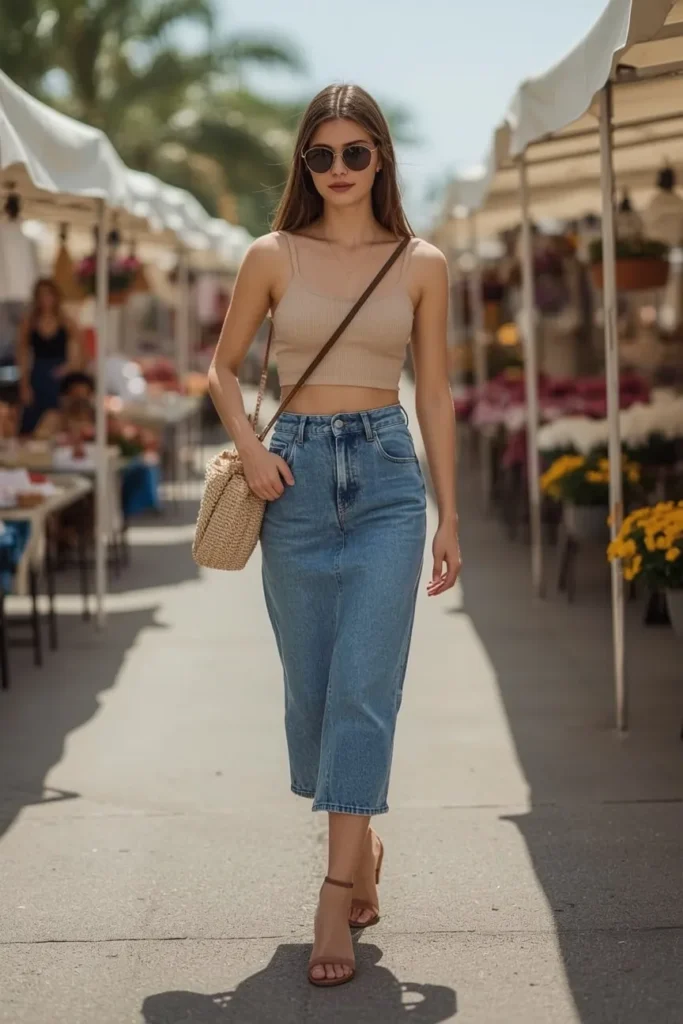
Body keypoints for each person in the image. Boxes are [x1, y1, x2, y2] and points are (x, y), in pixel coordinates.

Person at [208, 83, 461, 989]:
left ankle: (330, 890)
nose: (341, 168)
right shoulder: (270, 254)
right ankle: (364, 842)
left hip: (389, 481)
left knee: (364, 686)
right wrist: (253, 451)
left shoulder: (421, 262)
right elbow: (222, 371)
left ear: (381, 158)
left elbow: (431, 395)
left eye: (357, 152)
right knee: (311, 696)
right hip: (297, 478)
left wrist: (449, 516)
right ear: (304, 163)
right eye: (323, 154)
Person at [17, 278, 83, 435]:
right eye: (41, 295)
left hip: (59, 377)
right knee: (30, 422)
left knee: (58, 419)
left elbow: (80, 351)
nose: (45, 299)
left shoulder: (66, 322)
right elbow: (22, 354)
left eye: (48, 295)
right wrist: (24, 384)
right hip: (38, 373)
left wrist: (68, 367)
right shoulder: (30, 322)